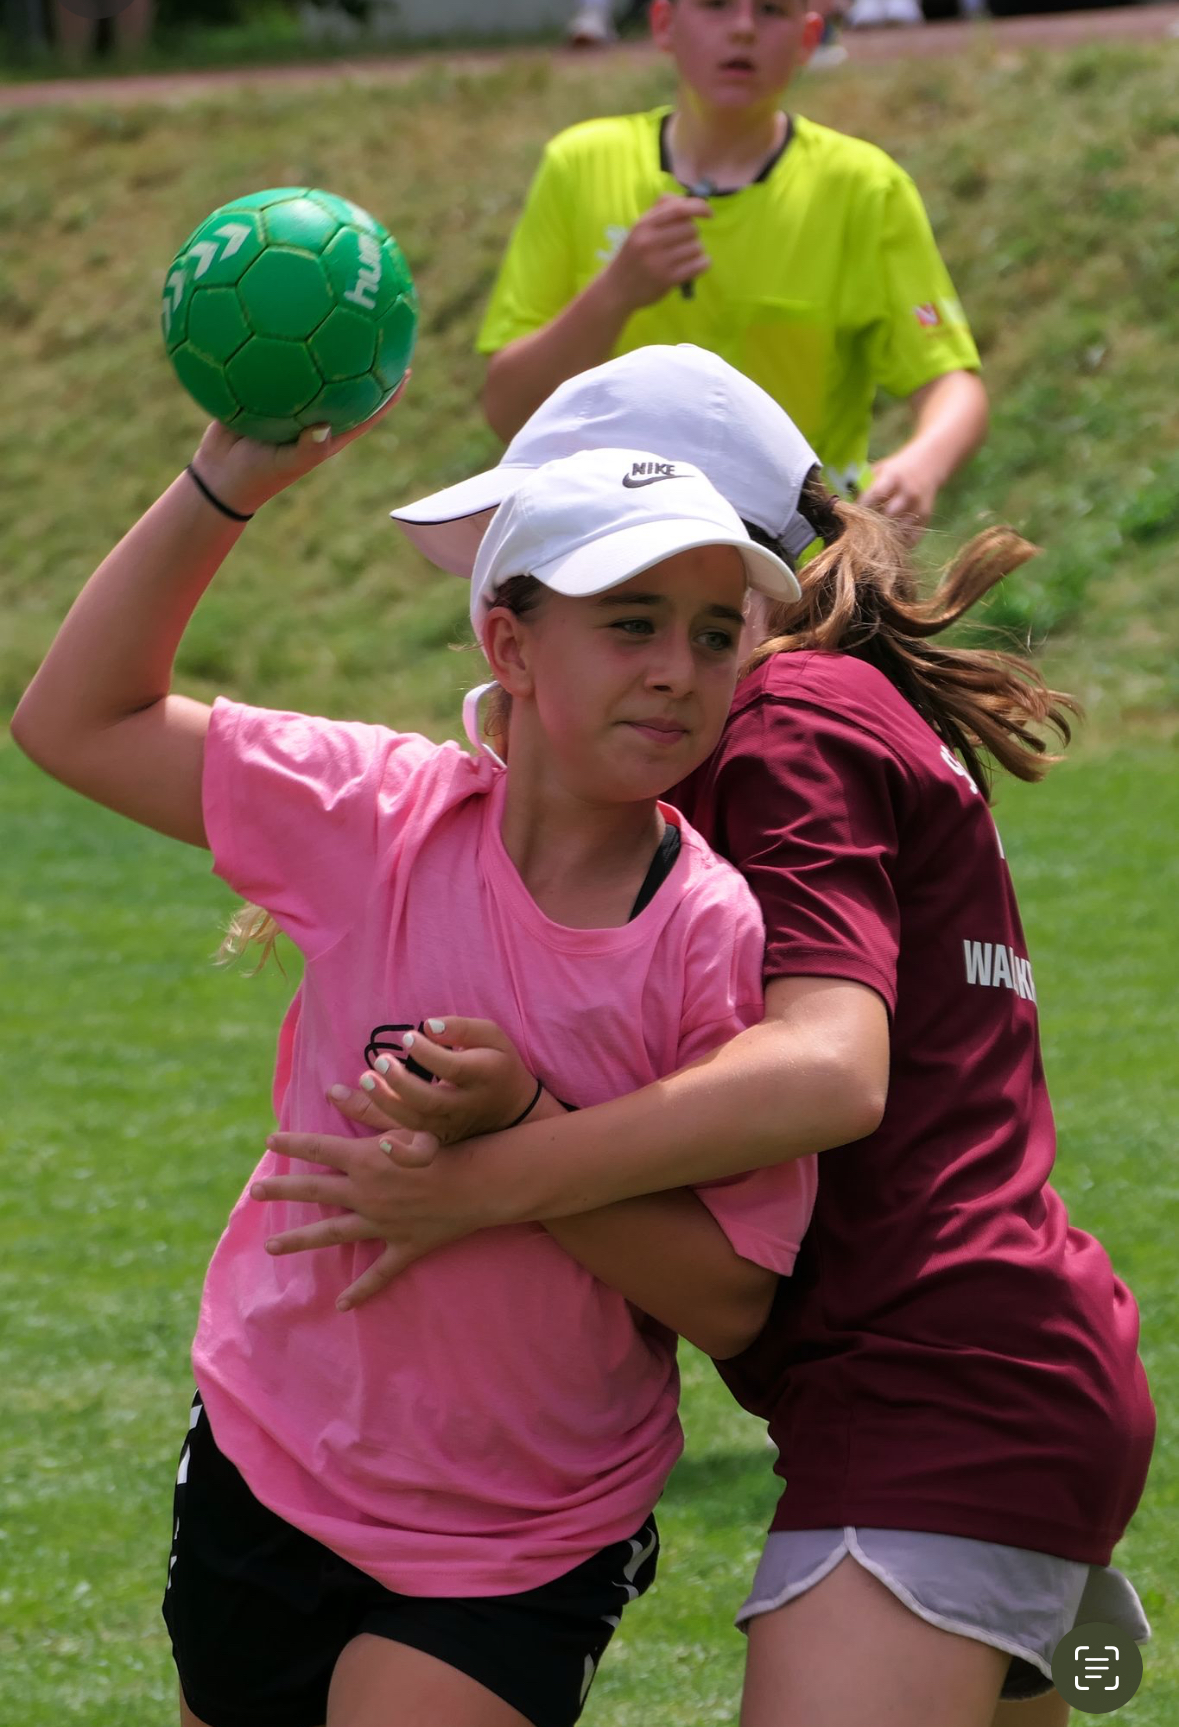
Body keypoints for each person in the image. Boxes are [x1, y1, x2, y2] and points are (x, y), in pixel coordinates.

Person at [252, 346, 1154, 1727]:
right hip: (1004, 1375)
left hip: (927, 1398)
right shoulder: (841, 701)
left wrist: (494, 1171)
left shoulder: (786, 714)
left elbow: (826, 1065)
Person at [12, 399, 838, 1727]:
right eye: (629, 622)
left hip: (520, 1533)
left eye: (712, 632)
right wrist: (225, 482)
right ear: (508, 642)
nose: (678, 668)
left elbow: (732, 1298)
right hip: (272, 1453)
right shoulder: (373, 814)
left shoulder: (708, 932)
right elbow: (74, 721)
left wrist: (518, 1134)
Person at [478, 0, 988, 532]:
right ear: (663, 23)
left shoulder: (863, 187)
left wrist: (921, 464)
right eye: (716, 5)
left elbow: (954, 387)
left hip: (799, 574)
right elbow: (509, 411)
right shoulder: (579, 167)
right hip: (611, 563)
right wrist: (615, 293)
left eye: (771, 10)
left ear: (808, 40)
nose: (743, 29)